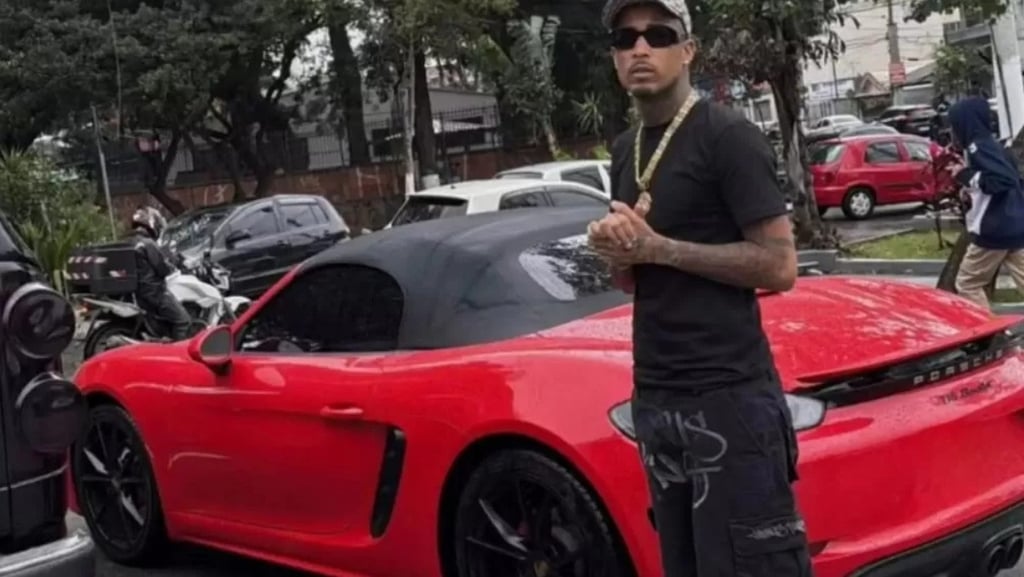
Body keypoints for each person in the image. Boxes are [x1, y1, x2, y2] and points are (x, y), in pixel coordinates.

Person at [586, 1, 812, 576]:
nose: (641, 48)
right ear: (614, 57)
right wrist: (615, 248)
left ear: (687, 50)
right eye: (626, 38)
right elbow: (631, 278)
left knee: (754, 566)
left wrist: (661, 249)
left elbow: (779, 266)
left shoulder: (727, 136)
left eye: (658, 35)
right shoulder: (625, 148)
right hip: (657, 396)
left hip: (729, 397)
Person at [948, 96, 1024, 309]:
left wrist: (964, 175)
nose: (953, 131)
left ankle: (987, 328)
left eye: (955, 124)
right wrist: (970, 187)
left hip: (994, 230)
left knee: (967, 283)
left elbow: (1001, 181)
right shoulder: (996, 146)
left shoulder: (978, 146)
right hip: (1015, 226)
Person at [129, 207, 191, 341]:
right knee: (183, 321)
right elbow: (162, 269)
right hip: (154, 292)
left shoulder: (131, 242)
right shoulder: (148, 244)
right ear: (151, 224)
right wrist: (171, 268)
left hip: (140, 293)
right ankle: (179, 351)